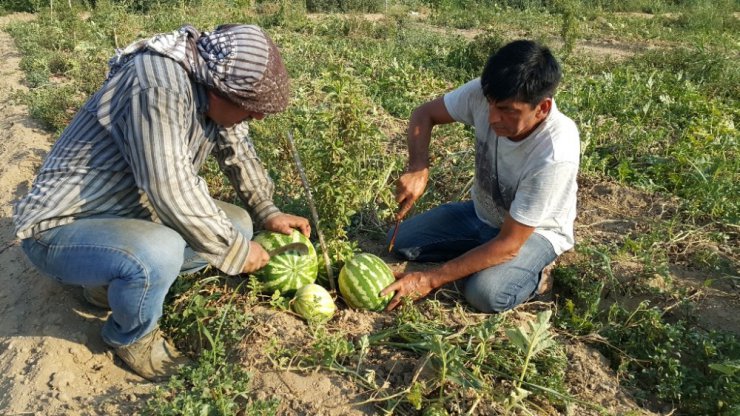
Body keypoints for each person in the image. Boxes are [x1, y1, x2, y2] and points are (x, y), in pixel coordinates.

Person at [13, 24, 310, 381]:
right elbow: (168, 185)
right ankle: (131, 337)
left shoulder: (212, 86)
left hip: (124, 210)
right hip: (62, 226)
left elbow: (238, 152)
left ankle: (103, 284)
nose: (257, 117)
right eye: (251, 109)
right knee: (161, 250)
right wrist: (234, 251)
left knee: (240, 225)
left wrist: (268, 211)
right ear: (219, 91)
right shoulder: (157, 86)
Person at [381, 40, 579, 313]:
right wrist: (418, 166)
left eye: (508, 110)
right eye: (490, 105)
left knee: (485, 293)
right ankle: (481, 253)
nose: (492, 117)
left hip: (533, 233)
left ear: (542, 108)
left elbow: (510, 243)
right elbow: (423, 114)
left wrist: (430, 278)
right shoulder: (486, 93)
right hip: (481, 214)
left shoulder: (555, 153)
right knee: (400, 242)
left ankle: (538, 275)